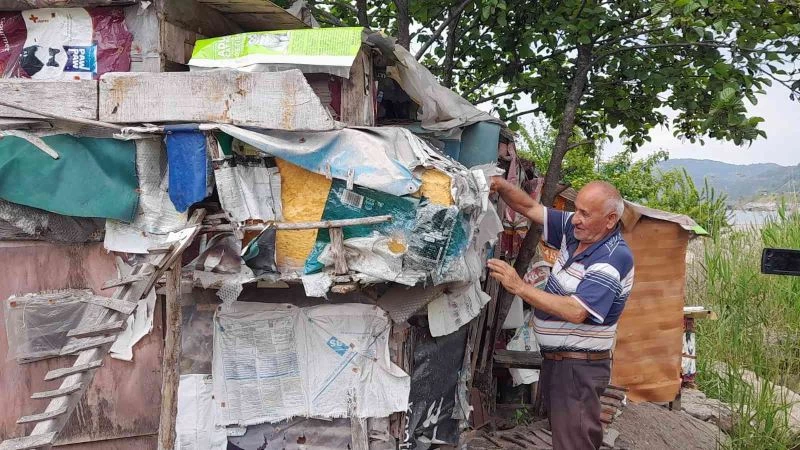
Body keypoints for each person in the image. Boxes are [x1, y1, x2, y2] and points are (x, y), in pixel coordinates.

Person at [487, 177, 634, 450]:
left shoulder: (613, 258)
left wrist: (519, 286)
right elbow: (530, 208)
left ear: (611, 219)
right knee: (567, 439)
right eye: (576, 210)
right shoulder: (577, 231)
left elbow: (577, 311)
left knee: (573, 443)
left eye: (584, 214)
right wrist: (502, 186)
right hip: (561, 362)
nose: (575, 218)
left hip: (579, 367)